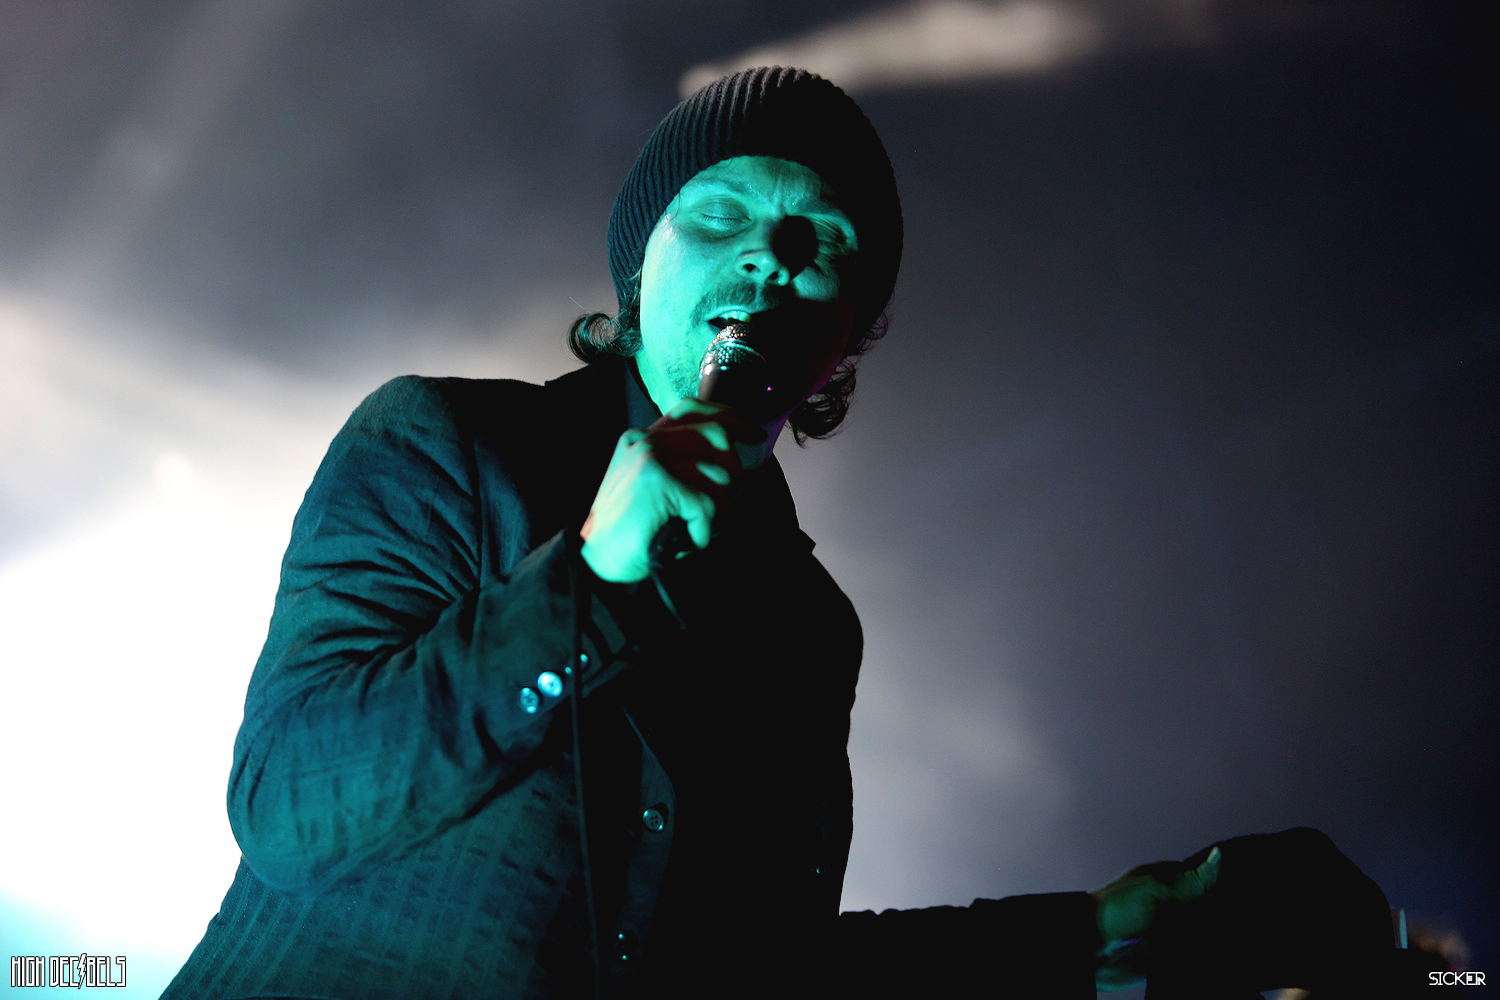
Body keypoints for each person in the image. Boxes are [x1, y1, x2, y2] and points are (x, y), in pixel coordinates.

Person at [162, 67, 1396, 1000]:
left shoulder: (808, 628)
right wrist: (591, 578)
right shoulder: (447, 445)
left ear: (847, 338)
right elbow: (287, 806)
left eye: (824, 241)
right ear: (637, 273)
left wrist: (1093, 932)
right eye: (721, 215)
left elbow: (766, 968)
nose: (769, 254)